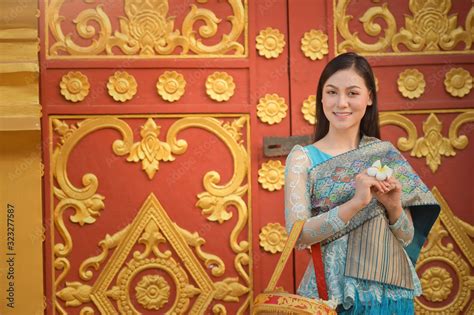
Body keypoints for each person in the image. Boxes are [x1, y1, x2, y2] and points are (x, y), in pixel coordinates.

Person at [284, 52, 440, 314]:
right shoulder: (302, 159)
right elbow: (298, 235)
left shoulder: (384, 154)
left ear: (369, 98)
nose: (341, 102)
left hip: (391, 295)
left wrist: (394, 208)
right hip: (334, 297)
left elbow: (407, 235)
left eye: (352, 93)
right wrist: (356, 203)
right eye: (332, 92)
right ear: (321, 97)